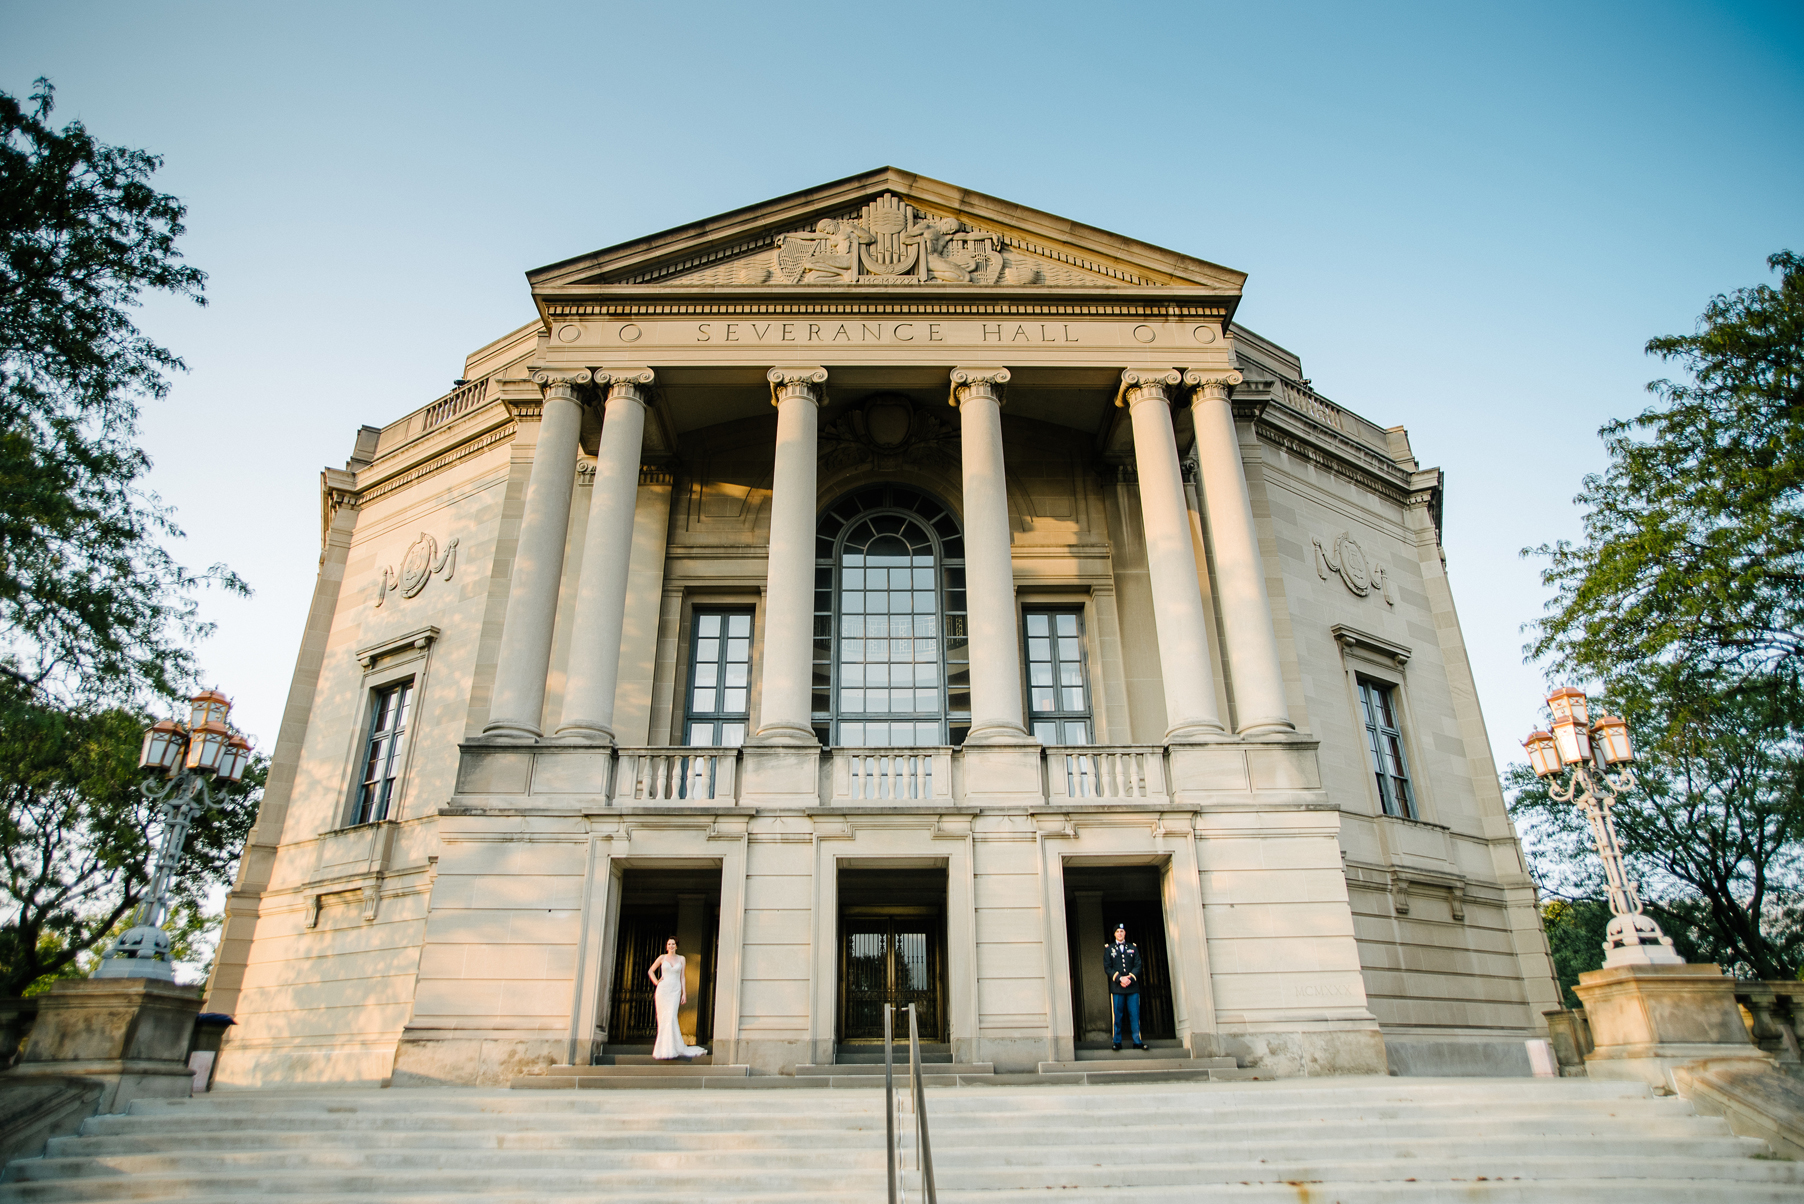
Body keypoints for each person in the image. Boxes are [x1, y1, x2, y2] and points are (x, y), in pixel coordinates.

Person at [648, 937, 708, 1060]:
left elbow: (682, 977)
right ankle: (663, 1049)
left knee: (671, 1017)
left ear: (676, 946)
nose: (671, 946)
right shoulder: (662, 958)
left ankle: (673, 1047)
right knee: (663, 1019)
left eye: (673, 944)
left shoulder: (681, 959)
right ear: (666, 946)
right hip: (662, 991)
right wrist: (656, 982)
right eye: (669, 944)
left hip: (675, 991)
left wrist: (684, 993)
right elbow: (650, 971)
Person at [1104, 923, 1146, 1052]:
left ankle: (1137, 1041)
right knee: (1117, 1016)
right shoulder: (1109, 949)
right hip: (1117, 987)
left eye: (1122, 931)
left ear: (1125, 933)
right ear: (1114, 934)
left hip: (1132, 987)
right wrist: (1119, 978)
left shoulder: (1132, 947)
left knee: (1135, 1015)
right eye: (1118, 931)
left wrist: (1130, 978)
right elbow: (1107, 967)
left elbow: (1138, 964)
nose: (1120, 934)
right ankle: (1117, 1042)